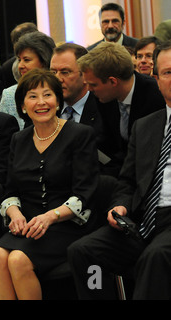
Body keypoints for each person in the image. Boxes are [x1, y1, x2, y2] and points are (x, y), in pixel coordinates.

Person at [68, 41, 171, 300]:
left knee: (155, 256)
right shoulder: (146, 126)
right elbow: (126, 179)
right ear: (156, 79)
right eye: (168, 73)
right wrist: (121, 206)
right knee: (84, 251)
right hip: (142, 218)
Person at [0, 68, 99, 300]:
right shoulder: (19, 139)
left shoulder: (80, 134)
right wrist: (14, 213)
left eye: (47, 95)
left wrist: (50, 217)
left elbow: (84, 193)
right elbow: (10, 190)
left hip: (65, 223)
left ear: (58, 102)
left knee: (18, 260)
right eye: (32, 96)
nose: (41, 102)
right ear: (22, 106)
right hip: (28, 223)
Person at [78, 42, 165, 177]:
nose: (89, 89)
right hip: (121, 171)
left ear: (113, 82)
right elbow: (108, 144)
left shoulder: (156, 98)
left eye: (93, 84)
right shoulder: (103, 97)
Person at [50, 43, 105, 148]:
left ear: (84, 75)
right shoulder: (45, 109)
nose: (57, 79)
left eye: (65, 72)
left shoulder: (104, 107)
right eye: (53, 72)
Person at [0, 31, 56, 130]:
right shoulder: (9, 95)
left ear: (44, 61)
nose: (20, 66)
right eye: (19, 60)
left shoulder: (59, 90)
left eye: (27, 60)